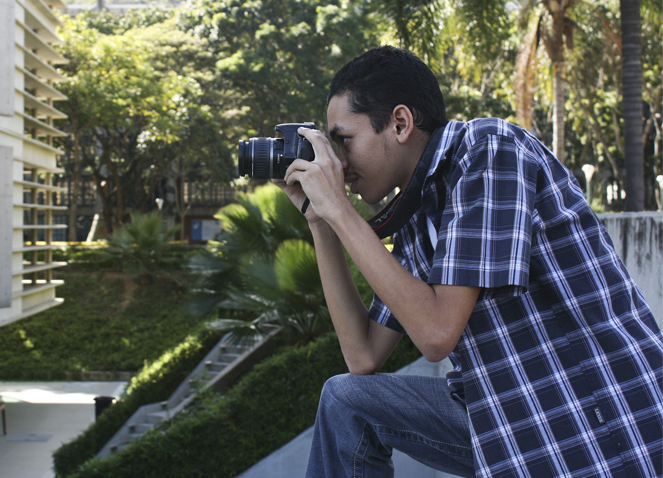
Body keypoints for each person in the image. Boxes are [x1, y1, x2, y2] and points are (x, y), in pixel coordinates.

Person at [275, 45, 663, 477]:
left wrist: (340, 210)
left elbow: (436, 333)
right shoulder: (417, 214)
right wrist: (320, 221)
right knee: (346, 401)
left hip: (592, 416)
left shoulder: (489, 149)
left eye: (344, 140)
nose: (339, 163)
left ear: (400, 123)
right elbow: (362, 356)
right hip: (504, 415)